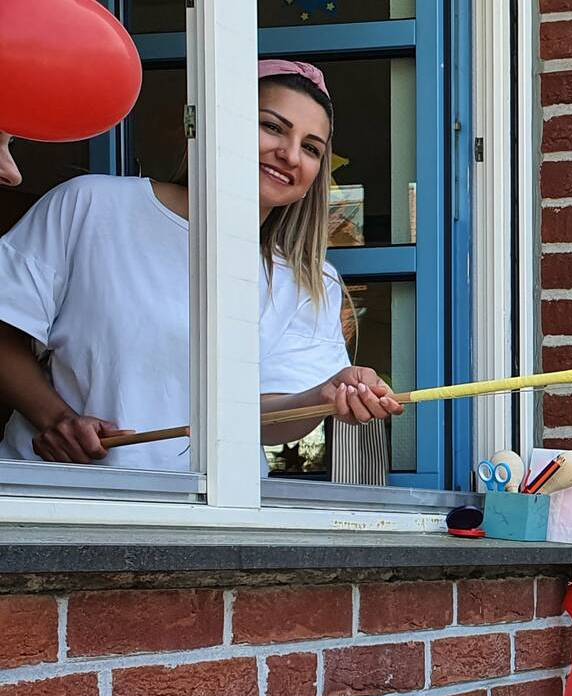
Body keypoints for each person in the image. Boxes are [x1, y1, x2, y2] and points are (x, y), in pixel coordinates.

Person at [0, 59, 400, 470]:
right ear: (216, 124)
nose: (290, 154)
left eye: (312, 148)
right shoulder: (91, 205)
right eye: (272, 126)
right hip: (61, 497)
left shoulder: (311, 281)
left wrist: (325, 395)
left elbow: (261, 420)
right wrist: (55, 419)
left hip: (216, 515)